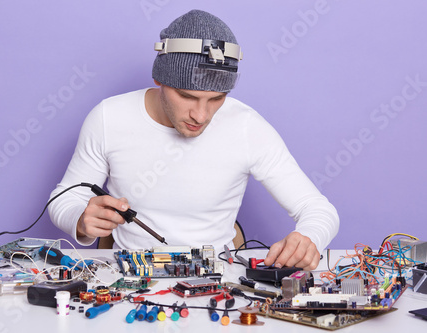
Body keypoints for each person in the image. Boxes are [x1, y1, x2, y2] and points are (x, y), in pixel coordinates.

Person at [48, 9, 339, 270]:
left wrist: (308, 237)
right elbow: (66, 198)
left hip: (218, 278)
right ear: (159, 79)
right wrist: (81, 220)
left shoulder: (248, 127)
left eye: (216, 99)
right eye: (187, 96)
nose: (201, 115)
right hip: (130, 275)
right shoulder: (108, 117)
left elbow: (318, 210)